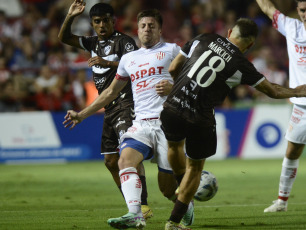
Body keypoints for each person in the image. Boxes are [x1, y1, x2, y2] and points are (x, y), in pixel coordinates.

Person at [159, 18, 306, 230]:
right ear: (250, 45)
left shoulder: (204, 38)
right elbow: (273, 91)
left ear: (229, 32)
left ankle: (180, 183)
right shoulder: (241, 64)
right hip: (200, 117)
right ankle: (173, 222)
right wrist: (298, 91)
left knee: (174, 146)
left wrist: (179, 88)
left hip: (172, 106)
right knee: (196, 168)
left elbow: (174, 68)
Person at [63, 9, 195, 230]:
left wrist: (173, 88)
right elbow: (111, 92)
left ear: (160, 30)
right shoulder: (129, 59)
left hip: (167, 125)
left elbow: (194, 79)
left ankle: (185, 205)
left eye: (151, 26)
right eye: (143, 26)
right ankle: (135, 214)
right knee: (124, 160)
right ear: (137, 29)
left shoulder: (172, 50)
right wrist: (82, 114)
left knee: (166, 188)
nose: (146, 29)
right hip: (141, 124)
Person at [58, 0, 153, 218]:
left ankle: (142, 207)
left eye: (106, 21)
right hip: (108, 107)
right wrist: (71, 15)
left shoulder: (124, 41)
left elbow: (135, 64)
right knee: (110, 161)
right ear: (92, 23)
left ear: (113, 21)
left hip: (126, 103)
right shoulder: (92, 43)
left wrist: (107, 63)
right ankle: (133, 203)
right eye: (97, 21)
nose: (102, 25)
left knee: (129, 155)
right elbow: (63, 38)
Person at [256, 0, 306, 213]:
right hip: (301, 106)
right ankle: (282, 202)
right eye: (303, 10)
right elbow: (267, 8)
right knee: (292, 151)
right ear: (297, 10)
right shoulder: (291, 26)